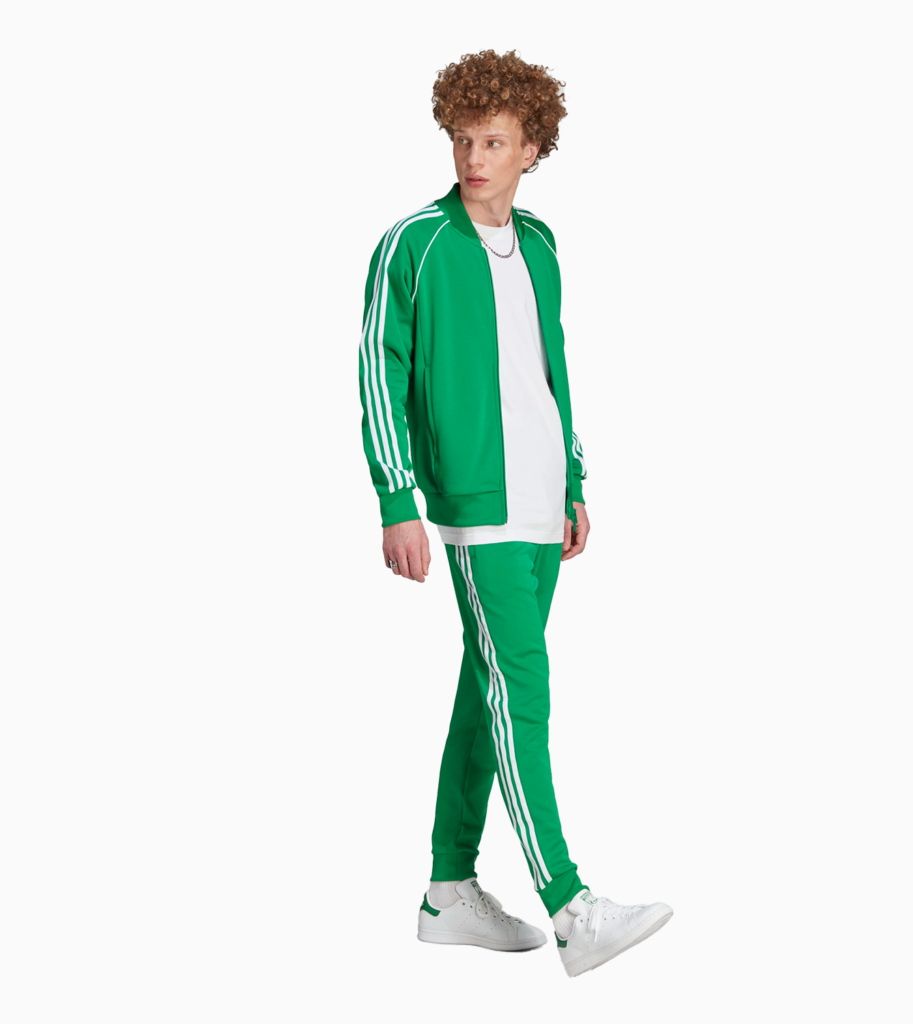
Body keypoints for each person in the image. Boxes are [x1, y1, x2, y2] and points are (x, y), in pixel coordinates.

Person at [357, 48, 672, 977]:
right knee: (521, 690)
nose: (473, 157)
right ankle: (570, 908)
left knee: (487, 686)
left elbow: (549, 367)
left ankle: (448, 890)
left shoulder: (539, 244)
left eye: (493, 141)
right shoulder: (414, 243)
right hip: (474, 507)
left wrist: (573, 480)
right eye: (462, 138)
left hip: (541, 504)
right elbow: (378, 370)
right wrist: (397, 498)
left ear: (531, 148)